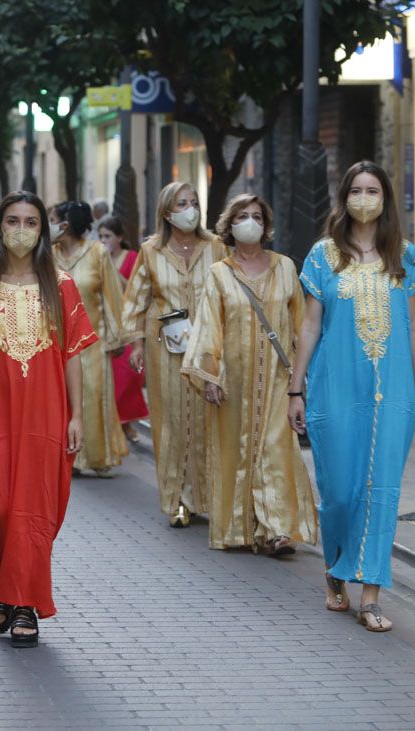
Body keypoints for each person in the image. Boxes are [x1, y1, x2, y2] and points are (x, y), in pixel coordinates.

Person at [0, 190, 97, 648]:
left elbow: (73, 354)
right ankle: (0, 583)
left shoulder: (61, 284)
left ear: (43, 230)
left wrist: (76, 415)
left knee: (33, 510)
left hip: (47, 413)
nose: (20, 230)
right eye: (11, 221)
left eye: (30, 222)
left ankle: (23, 603)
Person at [289, 160, 415, 633]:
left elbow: (411, 327)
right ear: (344, 197)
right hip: (334, 388)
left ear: (386, 198)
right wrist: (296, 387)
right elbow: (310, 325)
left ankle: (370, 595)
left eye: (373, 190)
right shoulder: (323, 255)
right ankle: (335, 571)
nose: (364, 198)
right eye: (356, 190)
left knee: (381, 491)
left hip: (392, 392)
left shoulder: (404, 257)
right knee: (341, 492)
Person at [182, 194, 318, 555]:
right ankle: (240, 528)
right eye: (242, 215)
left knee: (274, 449)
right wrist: (209, 376)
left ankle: (276, 530)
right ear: (229, 224)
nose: (250, 221)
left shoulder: (286, 267)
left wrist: (301, 380)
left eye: (257, 215)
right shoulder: (219, 273)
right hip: (234, 381)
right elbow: (209, 325)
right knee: (237, 450)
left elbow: (301, 324)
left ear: (267, 224)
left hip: (277, 377)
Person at [122, 182, 227, 528]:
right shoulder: (151, 250)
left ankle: (209, 496)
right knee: (171, 424)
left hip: (209, 344)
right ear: (167, 212)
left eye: (193, 202)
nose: (189, 209)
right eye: (181, 203)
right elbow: (136, 299)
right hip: (164, 347)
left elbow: (229, 291)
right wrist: (135, 342)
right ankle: (178, 499)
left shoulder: (215, 246)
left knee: (206, 421)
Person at [51, 201, 129, 477]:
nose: (49, 224)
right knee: (60, 400)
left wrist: (117, 336)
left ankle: (97, 456)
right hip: (55, 343)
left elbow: (111, 295)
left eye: (53, 219)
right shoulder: (49, 255)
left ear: (66, 223)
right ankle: (65, 456)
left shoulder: (97, 252)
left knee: (94, 397)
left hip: (92, 342)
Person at [97, 215, 148, 443]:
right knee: (111, 378)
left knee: (129, 378)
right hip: (105, 325)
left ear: (119, 237)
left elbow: (135, 290)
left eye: (107, 236)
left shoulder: (132, 258)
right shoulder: (98, 259)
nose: (104, 240)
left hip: (127, 323)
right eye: (100, 236)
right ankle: (114, 429)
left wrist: (112, 273)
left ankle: (126, 424)